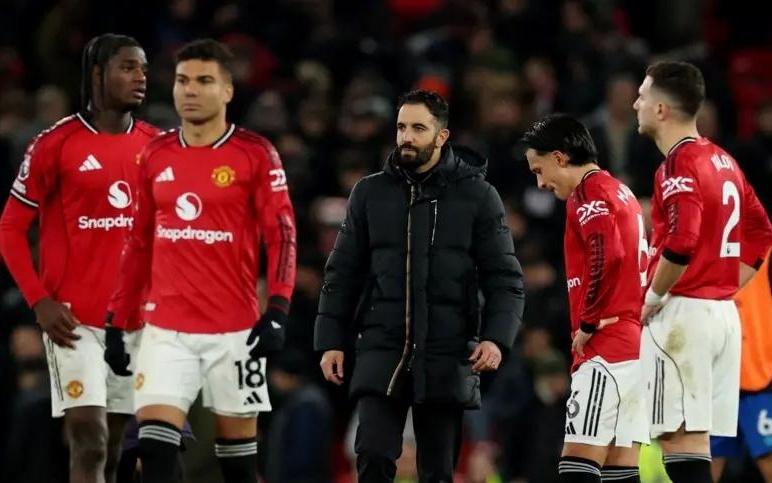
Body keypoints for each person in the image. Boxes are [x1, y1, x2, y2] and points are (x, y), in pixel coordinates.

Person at [104, 38, 297, 483]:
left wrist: (278, 308)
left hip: (236, 331)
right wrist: (118, 320)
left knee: (238, 465)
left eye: (204, 81)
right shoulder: (156, 153)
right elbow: (138, 242)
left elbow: (282, 234)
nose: (190, 90)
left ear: (227, 91)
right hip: (165, 331)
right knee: (153, 449)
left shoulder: (255, 153)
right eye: (182, 80)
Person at [315, 89, 525, 482]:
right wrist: (330, 341)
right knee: (372, 455)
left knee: (437, 471)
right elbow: (341, 273)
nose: (406, 137)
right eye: (401, 128)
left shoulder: (478, 196)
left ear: (442, 136)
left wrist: (496, 339)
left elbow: (505, 278)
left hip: (448, 351)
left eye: (417, 128)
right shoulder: (369, 192)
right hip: (382, 346)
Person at [0, 33, 156, 483]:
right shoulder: (54, 144)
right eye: (128, 67)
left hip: (136, 321)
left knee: (116, 447)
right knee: (89, 438)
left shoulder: (159, 145)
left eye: (143, 69)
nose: (140, 77)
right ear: (98, 74)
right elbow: (10, 228)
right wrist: (39, 301)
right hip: (73, 320)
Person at [633, 60, 772, 483]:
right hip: (721, 315)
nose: (636, 103)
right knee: (696, 444)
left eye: (642, 95)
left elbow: (682, 240)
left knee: (678, 442)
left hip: (685, 314)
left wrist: (653, 297)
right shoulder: (724, 160)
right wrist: (726, 285)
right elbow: (762, 232)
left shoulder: (678, 164)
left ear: (661, 109)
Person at [522, 114, 650, 483]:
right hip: (636, 346)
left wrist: (589, 321)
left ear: (559, 157)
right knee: (620, 470)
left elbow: (606, 254)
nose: (541, 183)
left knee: (576, 464)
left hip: (606, 348)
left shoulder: (589, 192)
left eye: (540, 170)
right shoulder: (620, 191)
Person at [710, 247, 772, 483]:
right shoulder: (706, 246)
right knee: (706, 458)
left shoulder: (765, 246)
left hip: (759, 372)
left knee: (768, 457)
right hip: (714, 372)